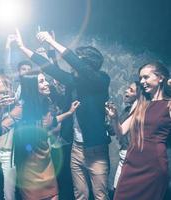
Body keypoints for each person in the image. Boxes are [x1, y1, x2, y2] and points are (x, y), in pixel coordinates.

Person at [15, 29, 111, 200]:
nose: (72, 65)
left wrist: (51, 42)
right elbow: (51, 69)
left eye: (78, 62)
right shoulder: (74, 81)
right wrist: (23, 48)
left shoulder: (102, 80)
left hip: (96, 150)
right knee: (80, 194)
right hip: (76, 149)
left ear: (88, 65)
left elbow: (77, 64)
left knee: (100, 196)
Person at [106, 62, 171, 200]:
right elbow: (122, 132)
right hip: (132, 161)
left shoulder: (169, 104)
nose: (142, 81)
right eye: (141, 78)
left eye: (146, 77)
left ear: (160, 78)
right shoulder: (141, 103)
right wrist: (114, 118)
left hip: (154, 164)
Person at [14, 72, 80, 200]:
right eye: (42, 81)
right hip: (29, 166)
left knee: (54, 196)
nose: (47, 83)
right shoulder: (23, 108)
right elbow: (2, 131)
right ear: (32, 86)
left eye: (45, 80)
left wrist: (69, 113)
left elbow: (51, 121)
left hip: (46, 162)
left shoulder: (44, 104)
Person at [107, 82, 139, 193]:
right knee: (116, 191)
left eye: (131, 90)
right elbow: (114, 131)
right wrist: (111, 117)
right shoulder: (126, 111)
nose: (126, 91)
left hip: (136, 158)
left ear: (139, 95)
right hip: (123, 156)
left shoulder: (143, 112)